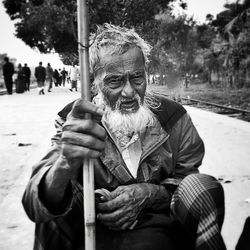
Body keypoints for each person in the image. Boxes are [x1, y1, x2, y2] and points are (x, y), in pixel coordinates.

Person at [22, 24, 226, 250]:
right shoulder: (77, 119)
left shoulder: (174, 118)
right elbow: (34, 205)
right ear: (95, 82)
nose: (129, 92)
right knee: (56, 199)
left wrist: (150, 194)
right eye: (115, 81)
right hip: (92, 228)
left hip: (158, 225)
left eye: (137, 78)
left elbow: (186, 181)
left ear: (145, 73)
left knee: (204, 187)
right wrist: (64, 163)